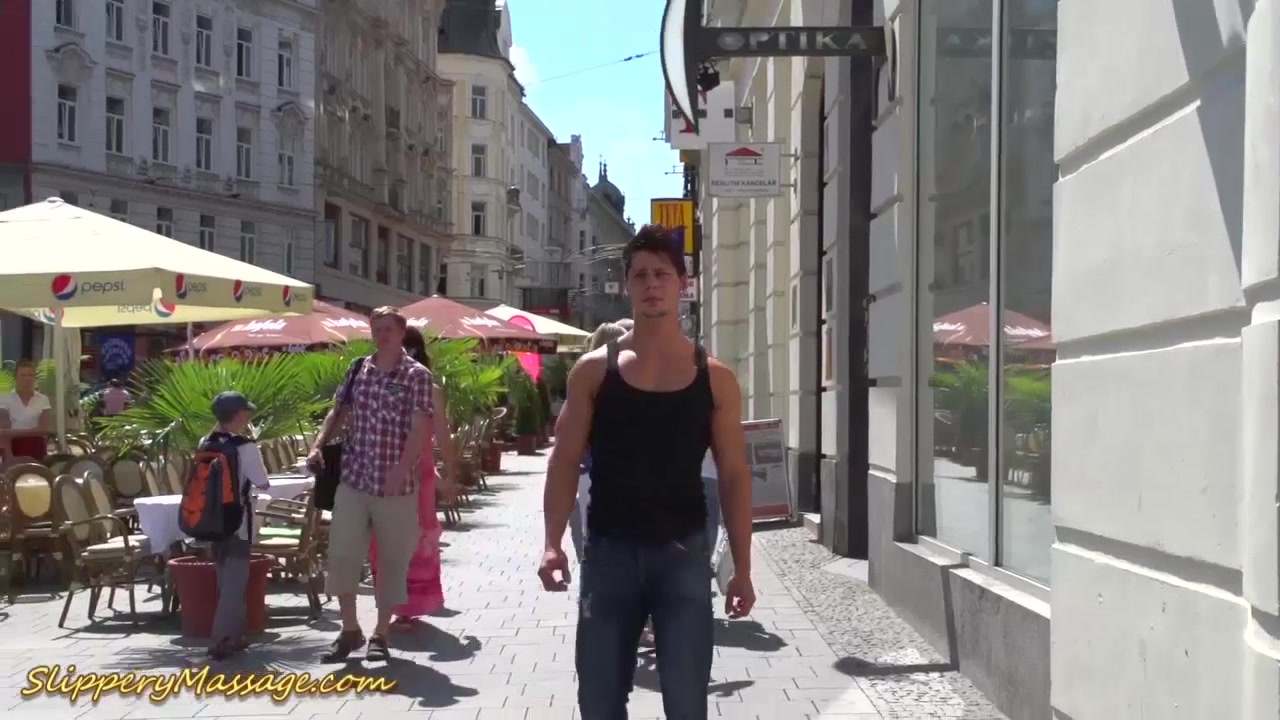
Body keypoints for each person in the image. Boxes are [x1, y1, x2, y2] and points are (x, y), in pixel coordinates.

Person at [539, 224, 757, 719]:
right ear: (627, 285)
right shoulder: (595, 371)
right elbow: (564, 461)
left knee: (686, 702)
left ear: (683, 284)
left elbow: (734, 475)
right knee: (599, 702)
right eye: (640, 275)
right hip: (609, 555)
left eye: (662, 274)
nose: (651, 284)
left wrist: (742, 570)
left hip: (683, 556)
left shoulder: (714, 378)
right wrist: (552, 543)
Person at [307, 306, 435, 663]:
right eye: (376, 329)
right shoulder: (358, 369)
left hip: (396, 486)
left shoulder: (416, 375)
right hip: (354, 477)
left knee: (392, 562)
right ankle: (349, 630)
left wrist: (402, 468)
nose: (381, 335)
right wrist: (318, 444)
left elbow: (420, 428)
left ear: (401, 332)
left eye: (388, 329)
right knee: (342, 555)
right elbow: (338, 411)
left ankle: (381, 633)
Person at [368, 325, 459, 626]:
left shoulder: (425, 388)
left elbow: (442, 435)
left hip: (411, 473)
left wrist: (450, 473)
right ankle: (399, 603)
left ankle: (404, 604)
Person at [204, 391, 271, 660]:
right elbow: (262, 482)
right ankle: (220, 639)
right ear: (239, 415)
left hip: (210, 520)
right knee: (235, 582)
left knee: (225, 578)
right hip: (237, 522)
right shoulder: (245, 446)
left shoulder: (205, 442)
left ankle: (235, 635)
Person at [567, 321, 630, 563]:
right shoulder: (616, 384)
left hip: (586, 473)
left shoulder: (582, 380)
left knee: (591, 544)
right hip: (607, 475)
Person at [0, 360, 52, 462]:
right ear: (16, 378)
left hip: (36, 447)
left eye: (30, 375)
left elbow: (44, 429)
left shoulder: (43, 399)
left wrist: (14, 432)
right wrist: (9, 457)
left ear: (35, 378)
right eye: (22, 375)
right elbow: (4, 432)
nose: (26, 379)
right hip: (13, 447)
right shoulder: (4, 399)